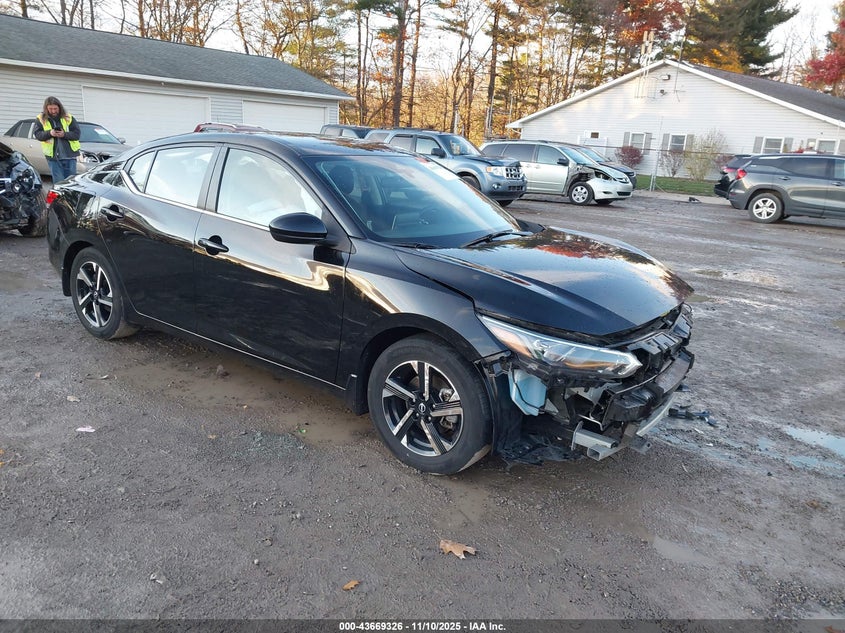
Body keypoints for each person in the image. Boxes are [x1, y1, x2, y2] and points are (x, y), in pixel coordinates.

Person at [34, 96, 81, 184]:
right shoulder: (40, 119)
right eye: (50, 109)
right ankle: (60, 198)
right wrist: (50, 133)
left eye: (55, 108)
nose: (53, 111)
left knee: (71, 183)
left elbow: (77, 134)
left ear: (60, 107)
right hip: (53, 158)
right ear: (46, 108)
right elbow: (38, 135)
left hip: (70, 156)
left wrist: (64, 134)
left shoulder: (68, 118)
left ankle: (69, 198)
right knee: (59, 183)